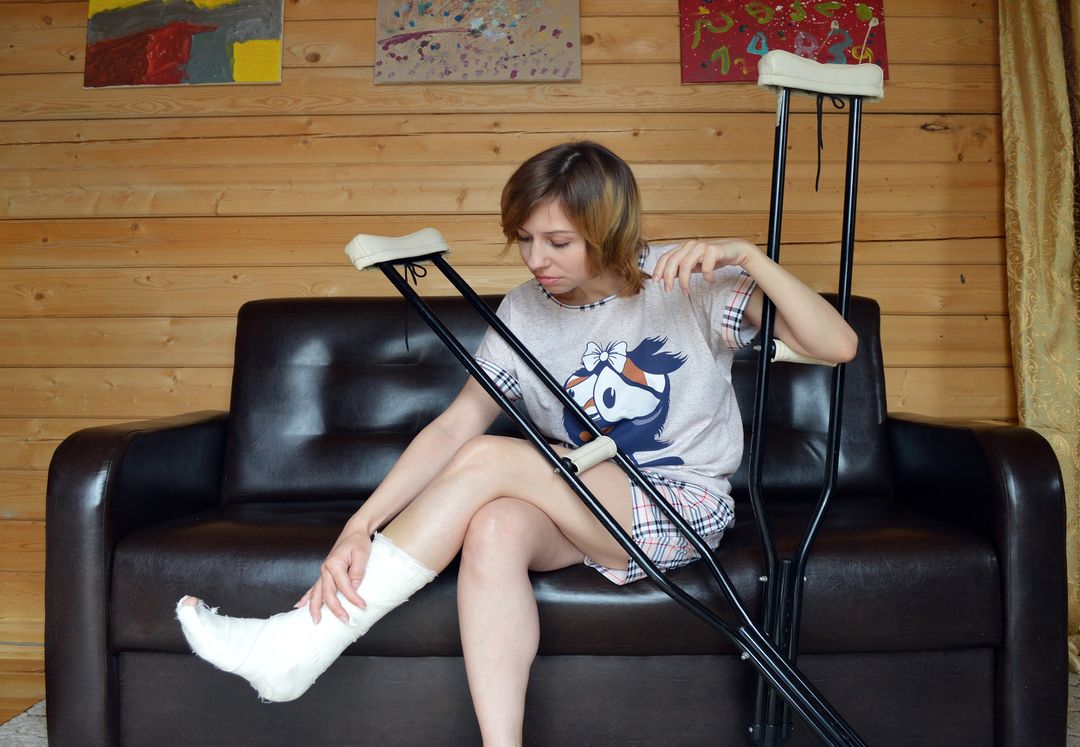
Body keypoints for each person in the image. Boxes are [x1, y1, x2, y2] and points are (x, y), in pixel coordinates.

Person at [176, 141, 857, 745]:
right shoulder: (523, 310)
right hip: (583, 504)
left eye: (557, 241)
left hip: (680, 506)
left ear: (607, 227)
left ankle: (295, 644)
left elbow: (838, 345)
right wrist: (356, 526)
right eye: (524, 239)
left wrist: (747, 257)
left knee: (489, 464)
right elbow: (454, 424)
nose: (537, 260)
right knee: (495, 526)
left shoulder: (687, 282)